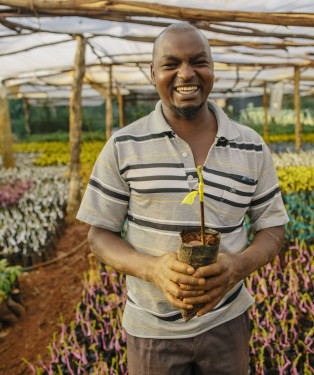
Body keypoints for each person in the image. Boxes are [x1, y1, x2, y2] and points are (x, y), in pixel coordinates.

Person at [77, 23, 289, 375]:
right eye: (171, 64)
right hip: (152, 330)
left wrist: (238, 266)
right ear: (153, 73)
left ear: (212, 69)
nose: (186, 74)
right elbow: (98, 236)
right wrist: (153, 269)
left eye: (198, 61)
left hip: (227, 322)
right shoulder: (123, 146)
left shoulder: (251, 145)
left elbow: (273, 228)